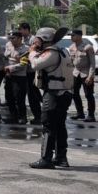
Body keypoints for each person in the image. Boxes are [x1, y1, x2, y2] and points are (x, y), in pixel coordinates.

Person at [28, 27, 74, 169]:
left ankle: (46, 159)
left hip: (54, 94)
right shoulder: (62, 50)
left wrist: (32, 52)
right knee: (59, 126)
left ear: (44, 38)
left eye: (38, 39)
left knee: (48, 126)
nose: (35, 41)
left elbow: (35, 64)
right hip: (64, 93)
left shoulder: (51, 52)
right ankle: (61, 158)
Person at [68, 30, 96, 122]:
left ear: (79, 36)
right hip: (76, 73)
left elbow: (92, 63)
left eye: (73, 35)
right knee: (74, 93)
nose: (71, 37)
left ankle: (91, 115)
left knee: (88, 94)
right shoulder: (71, 47)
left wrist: (90, 76)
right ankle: (80, 113)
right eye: (71, 35)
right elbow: (71, 63)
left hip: (86, 73)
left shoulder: (88, 47)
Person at [3, 31, 30, 124]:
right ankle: (13, 116)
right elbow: (5, 58)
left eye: (13, 38)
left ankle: (22, 117)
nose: (11, 40)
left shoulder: (26, 49)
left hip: (20, 76)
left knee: (19, 98)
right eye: (10, 38)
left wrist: (11, 68)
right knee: (9, 97)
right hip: (9, 75)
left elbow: (23, 64)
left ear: (20, 39)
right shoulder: (9, 46)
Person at [19, 22, 42, 124]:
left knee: (32, 95)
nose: (20, 32)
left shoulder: (33, 40)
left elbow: (36, 52)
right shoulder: (21, 39)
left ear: (26, 29)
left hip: (31, 71)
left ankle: (38, 116)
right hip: (23, 71)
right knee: (28, 94)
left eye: (21, 29)